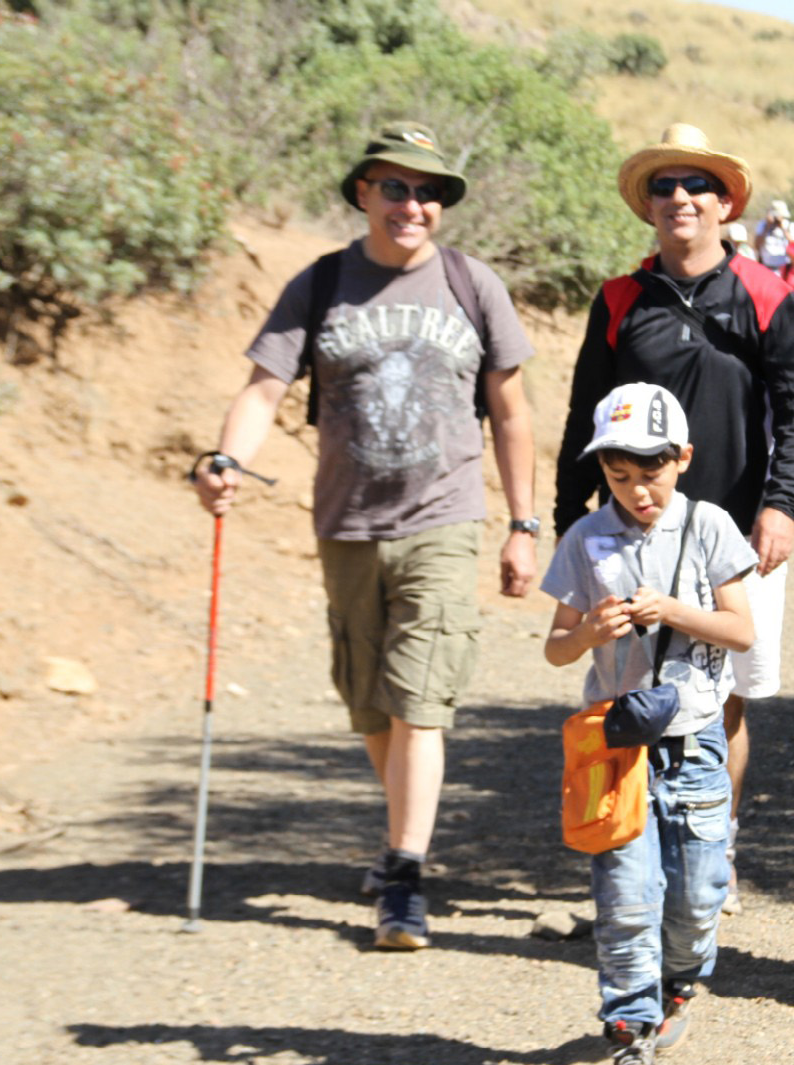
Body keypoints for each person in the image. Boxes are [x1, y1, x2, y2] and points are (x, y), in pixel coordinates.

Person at [192, 123, 538, 951]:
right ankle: (400, 838)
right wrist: (223, 456)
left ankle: (404, 874)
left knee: (419, 702)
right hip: (345, 525)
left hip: (443, 520)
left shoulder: (471, 284)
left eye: (428, 192)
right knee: (370, 703)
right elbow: (263, 388)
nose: (412, 205)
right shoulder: (319, 286)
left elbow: (511, 411)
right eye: (395, 187)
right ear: (362, 193)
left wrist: (524, 525)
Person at [554, 123, 794, 917]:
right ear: (648, 204)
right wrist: (569, 517)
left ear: (725, 202)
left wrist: (783, 504)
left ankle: (714, 845)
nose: (680, 198)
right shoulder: (619, 299)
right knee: (629, 686)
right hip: (633, 533)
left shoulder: (768, 296)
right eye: (664, 186)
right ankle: (632, 841)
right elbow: (581, 416)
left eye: (696, 185)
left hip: (734, 535)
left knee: (725, 695)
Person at [542, 382, 758, 1065]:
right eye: (618, 475)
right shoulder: (585, 539)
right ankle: (630, 1034)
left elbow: (741, 631)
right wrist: (588, 634)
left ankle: (679, 983)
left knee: (696, 897)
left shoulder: (709, 527)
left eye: (651, 472)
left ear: (683, 458)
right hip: (615, 749)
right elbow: (554, 649)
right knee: (626, 898)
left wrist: (671, 610)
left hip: (694, 742)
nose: (637, 489)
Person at [753, 199, 794, 270]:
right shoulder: (763, 225)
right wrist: (767, 228)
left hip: (785, 268)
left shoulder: (791, 226)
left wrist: (783, 228)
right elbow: (756, 245)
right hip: (766, 266)